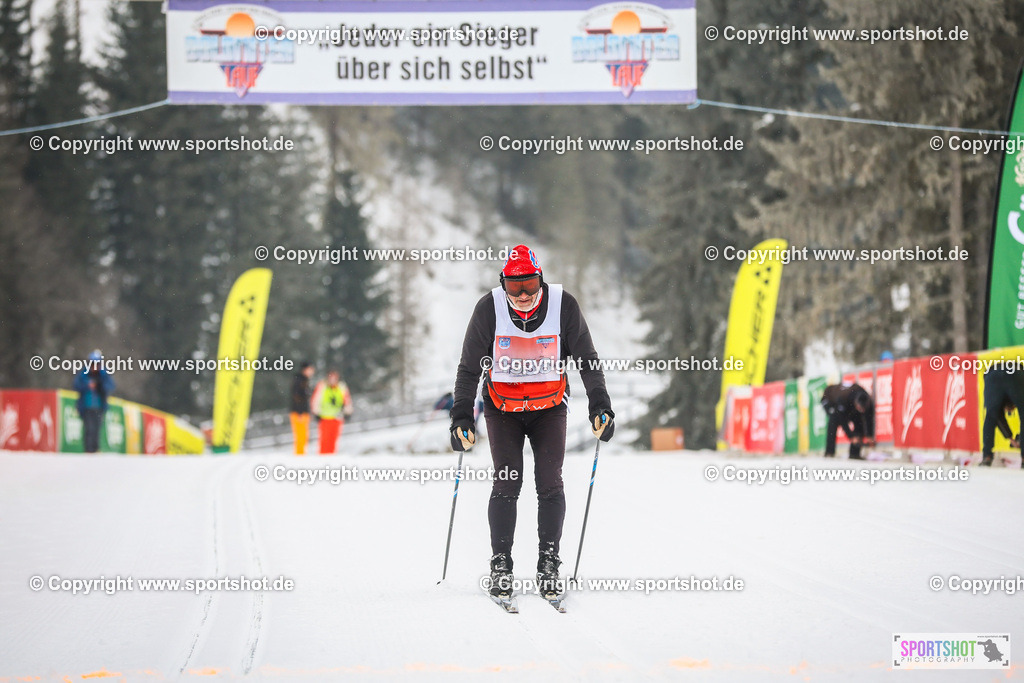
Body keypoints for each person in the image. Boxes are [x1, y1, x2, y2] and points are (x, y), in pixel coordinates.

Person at [450, 244, 614, 600]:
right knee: (507, 481)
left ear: (540, 280)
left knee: (549, 482)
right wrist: (461, 416)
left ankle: (548, 562)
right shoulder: (489, 309)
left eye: (529, 285)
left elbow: (586, 358)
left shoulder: (563, 305)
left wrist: (600, 406)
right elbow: (468, 367)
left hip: (549, 407)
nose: (522, 295)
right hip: (502, 408)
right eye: (514, 287)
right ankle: (501, 565)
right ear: (503, 284)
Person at [981, 366, 1024, 467]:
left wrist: (1010, 437)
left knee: (990, 416)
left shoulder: (999, 397)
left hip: (992, 375)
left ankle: (987, 456)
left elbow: (996, 416)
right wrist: (1011, 439)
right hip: (1016, 372)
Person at [73, 350, 115, 453]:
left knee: (96, 429)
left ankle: (95, 449)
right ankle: (88, 450)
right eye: (93, 363)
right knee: (89, 429)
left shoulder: (103, 374)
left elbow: (111, 385)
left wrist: (99, 385)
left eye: (97, 364)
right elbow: (76, 385)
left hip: (99, 407)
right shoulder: (84, 374)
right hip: (86, 406)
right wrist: (87, 385)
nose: (94, 366)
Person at [821, 382, 875, 459]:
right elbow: (842, 420)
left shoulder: (868, 401)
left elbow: (869, 418)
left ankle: (854, 454)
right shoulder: (844, 398)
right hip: (830, 401)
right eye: (860, 408)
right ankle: (829, 452)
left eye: (863, 409)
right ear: (856, 404)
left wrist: (869, 436)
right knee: (833, 421)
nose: (862, 411)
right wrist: (851, 436)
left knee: (859, 423)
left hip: (849, 408)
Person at [311, 369, 352, 455]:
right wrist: (316, 412)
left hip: (337, 417)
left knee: (334, 439)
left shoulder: (341, 387)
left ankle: (331, 457)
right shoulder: (322, 386)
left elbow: (347, 400)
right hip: (324, 417)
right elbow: (316, 400)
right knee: (324, 440)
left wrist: (348, 412)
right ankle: (323, 456)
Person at [290, 362, 315, 455]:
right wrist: (300, 412)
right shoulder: (300, 380)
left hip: (302, 411)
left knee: (303, 435)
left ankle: (301, 453)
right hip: (299, 412)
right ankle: (299, 454)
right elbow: (297, 397)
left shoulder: (304, 380)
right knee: (301, 436)